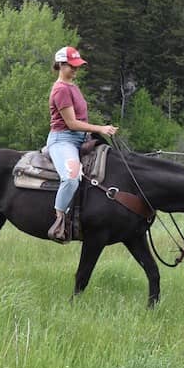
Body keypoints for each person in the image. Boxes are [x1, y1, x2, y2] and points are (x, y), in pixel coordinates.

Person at [46, 46, 118, 242]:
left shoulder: (73, 86)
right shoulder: (60, 89)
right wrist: (100, 129)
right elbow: (71, 123)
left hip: (80, 139)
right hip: (63, 140)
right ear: (61, 65)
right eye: (72, 66)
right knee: (71, 178)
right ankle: (59, 221)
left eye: (78, 66)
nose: (76, 70)